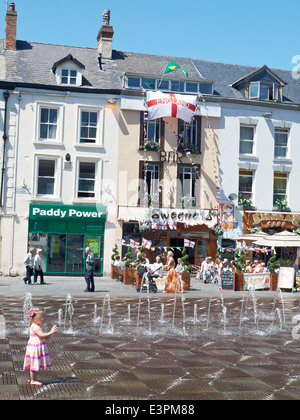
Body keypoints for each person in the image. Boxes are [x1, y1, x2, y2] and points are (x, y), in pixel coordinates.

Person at [23, 307, 57, 386]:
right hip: (35, 348)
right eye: (43, 317)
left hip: (34, 347)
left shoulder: (34, 325)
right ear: (37, 318)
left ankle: (32, 378)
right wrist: (50, 331)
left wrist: (50, 333)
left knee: (34, 364)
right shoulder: (36, 327)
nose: (44, 318)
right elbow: (42, 335)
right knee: (34, 364)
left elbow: (43, 337)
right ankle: (32, 380)